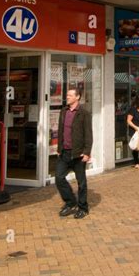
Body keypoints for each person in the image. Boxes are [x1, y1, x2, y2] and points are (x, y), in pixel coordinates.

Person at [55, 87, 93, 219]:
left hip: (78, 153)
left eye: (70, 95)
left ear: (78, 97)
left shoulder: (84, 113)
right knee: (59, 177)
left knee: (81, 182)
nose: (68, 97)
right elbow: (60, 131)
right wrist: (59, 147)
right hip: (64, 152)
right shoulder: (63, 111)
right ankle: (70, 202)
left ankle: (83, 207)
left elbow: (88, 135)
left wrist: (87, 152)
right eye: (67, 95)